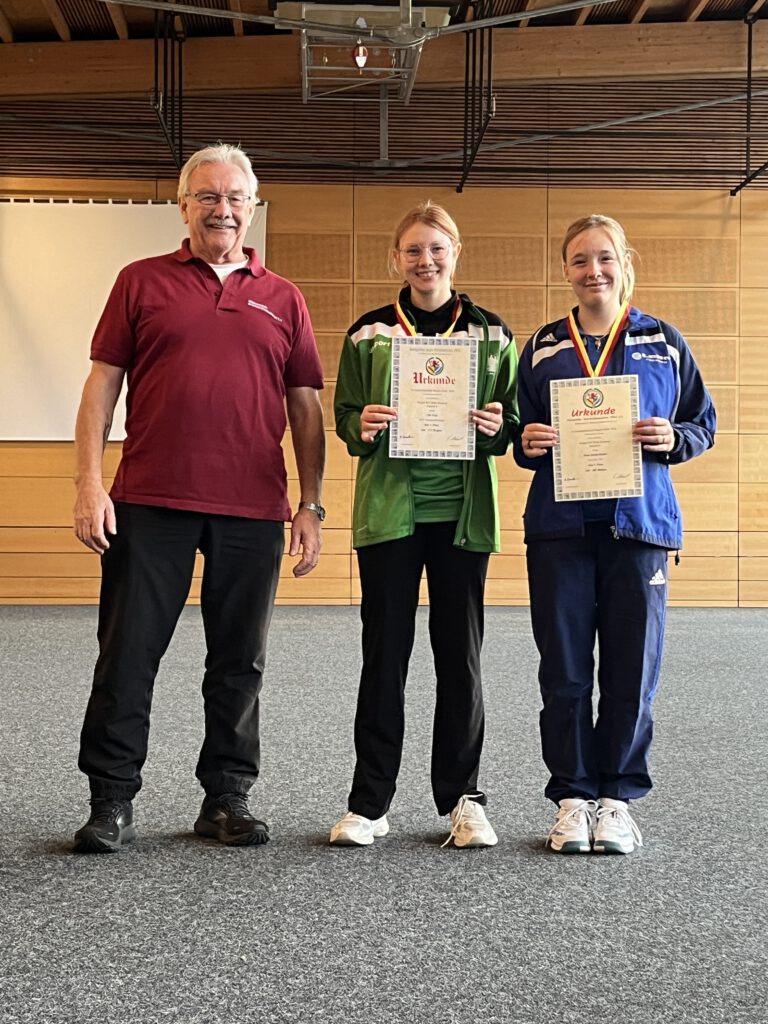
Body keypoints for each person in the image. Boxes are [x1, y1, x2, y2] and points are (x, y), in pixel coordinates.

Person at [72, 143, 325, 853]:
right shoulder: (140, 281)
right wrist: (89, 482)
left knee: (239, 660)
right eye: (208, 196)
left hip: (252, 505)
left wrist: (310, 503)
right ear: (184, 206)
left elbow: (305, 406)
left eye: (236, 197)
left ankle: (226, 798)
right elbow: (101, 386)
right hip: (150, 499)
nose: (223, 210)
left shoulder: (284, 298)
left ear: (253, 207)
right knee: (128, 654)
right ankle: (111, 801)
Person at [515, 213, 716, 855]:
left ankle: (617, 801)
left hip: (641, 526)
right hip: (561, 528)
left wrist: (673, 437)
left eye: (604, 257)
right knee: (565, 670)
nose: (593, 270)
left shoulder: (664, 340)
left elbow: (703, 423)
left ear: (625, 263)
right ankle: (572, 798)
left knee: (632, 669)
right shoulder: (544, 345)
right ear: (565, 269)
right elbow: (519, 431)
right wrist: (527, 440)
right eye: (579, 260)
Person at [330, 201, 519, 849]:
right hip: (389, 515)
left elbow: (512, 422)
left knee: (459, 659)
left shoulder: (492, 334)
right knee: (384, 657)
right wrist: (361, 424)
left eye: (437, 248)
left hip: (462, 517)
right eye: (413, 249)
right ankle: (369, 803)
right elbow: (344, 415)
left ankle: (464, 800)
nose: (425, 260)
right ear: (396, 258)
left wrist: (497, 427)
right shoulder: (368, 333)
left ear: (456, 252)